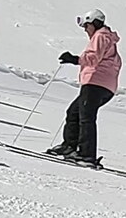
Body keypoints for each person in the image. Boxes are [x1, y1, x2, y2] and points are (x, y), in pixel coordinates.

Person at [44, 9, 121, 166]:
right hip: (104, 86)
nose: (85, 30)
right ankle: (69, 146)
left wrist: (75, 59)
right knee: (74, 112)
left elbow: (93, 57)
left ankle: (86, 155)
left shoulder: (100, 36)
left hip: (95, 83)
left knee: (86, 117)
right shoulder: (107, 39)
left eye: (87, 26)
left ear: (95, 23)